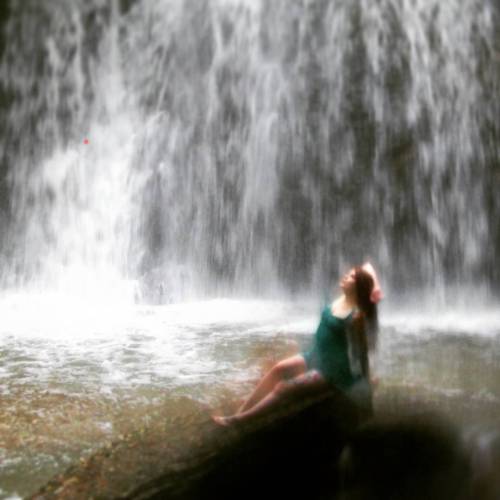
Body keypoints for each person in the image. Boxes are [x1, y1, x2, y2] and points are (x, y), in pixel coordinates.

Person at [213, 262, 383, 426]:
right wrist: (373, 285)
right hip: (315, 355)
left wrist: (365, 382)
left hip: (332, 370)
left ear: (358, 286)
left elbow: (362, 350)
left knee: (283, 388)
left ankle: (240, 421)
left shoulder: (356, 316)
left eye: (351, 276)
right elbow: (368, 267)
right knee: (277, 369)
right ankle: (240, 411)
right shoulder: (343, 298)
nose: (346, 276)